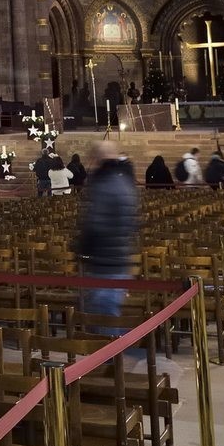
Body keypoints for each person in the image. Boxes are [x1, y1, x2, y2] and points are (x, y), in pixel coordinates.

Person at [73, 140, 139, 328]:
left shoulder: (105, 183)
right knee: (105, 312)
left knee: (104, 316)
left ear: (97, 158)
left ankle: (119, 351)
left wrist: (82, 250)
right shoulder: (123, 180)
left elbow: (96, 223)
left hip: (105, 260)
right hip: (119, 256)